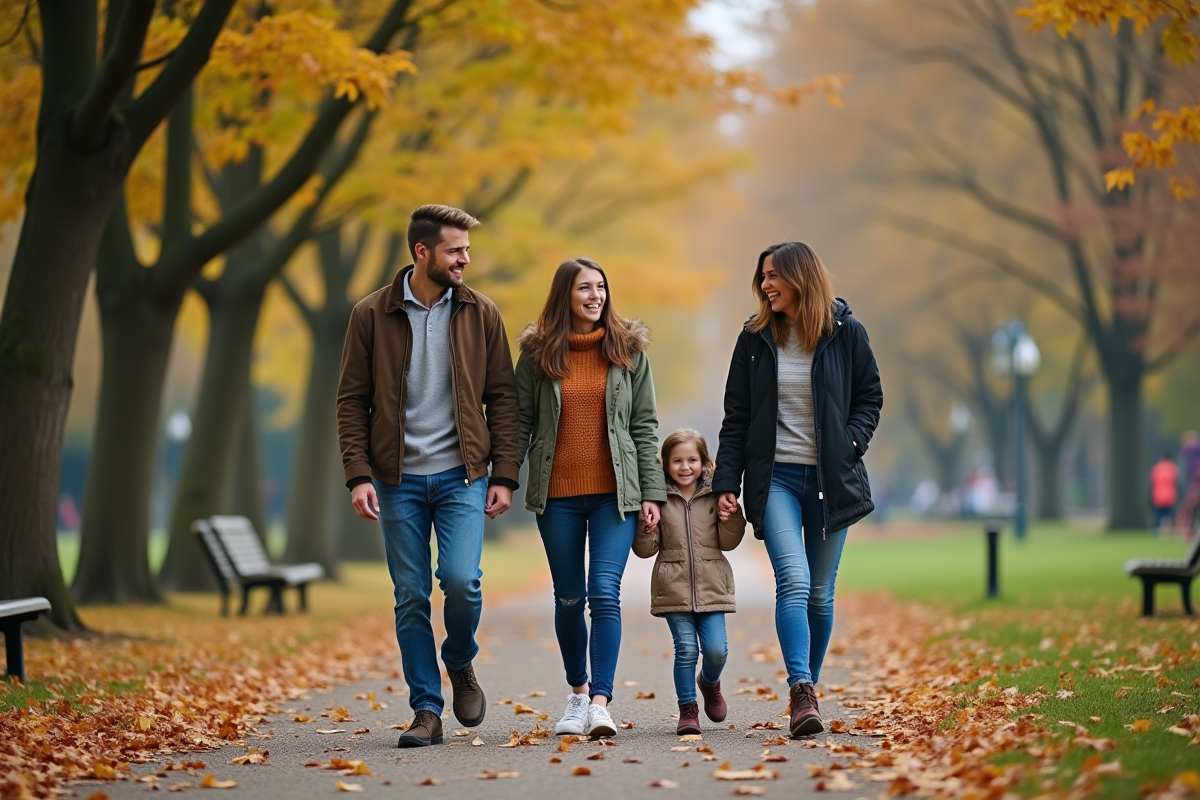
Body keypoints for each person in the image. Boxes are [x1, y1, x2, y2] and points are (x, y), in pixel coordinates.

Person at [336, 204, 520, 748]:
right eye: (455, 250)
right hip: (396, 481)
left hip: (463, 476)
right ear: (422, 252)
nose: (465, 259)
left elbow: (502, 397)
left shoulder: (482, 313)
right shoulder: (370, 314)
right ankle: (426, 710)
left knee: (462, 582)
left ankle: (459, 660)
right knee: (411, 595)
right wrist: (358, 474)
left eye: (467, 250)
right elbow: (351, 400)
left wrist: (505, 473)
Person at [713, 241, 882, 738]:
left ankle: (807, 691)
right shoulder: (754, 339)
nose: (765, 285)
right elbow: (736, 417)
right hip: (777, 480)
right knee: (794, 579)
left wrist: (852, 442)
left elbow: (870, 395)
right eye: (762, 276)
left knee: (821, 594)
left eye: (773, 276)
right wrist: (727, 482)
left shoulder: (846, 332)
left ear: (800, 277)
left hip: (832, 480)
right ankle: (801, 689)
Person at [515, 257, 666, 738]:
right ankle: (577, 694)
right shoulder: (538, 355)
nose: (595, 295)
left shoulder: (628, 352)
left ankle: (601, 702)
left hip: (614, 496)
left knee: (604, 593)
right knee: (568, 599)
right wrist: (501, 479)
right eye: (584, 288)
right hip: (557, 495)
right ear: (565, 295)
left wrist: (652, 492)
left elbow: (644, 426)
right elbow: (519, 422)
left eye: (600, 287)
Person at [632, 429, 746, 735]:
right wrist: (644, 526)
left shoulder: (715, 493)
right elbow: (645, 550)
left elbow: (729, 542)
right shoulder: (657, 498)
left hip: (713, 585)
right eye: (677, 461)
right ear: (666, 464)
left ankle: (708, 682)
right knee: (685, 649)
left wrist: (732, 517)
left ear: (704, 461)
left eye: (692, 460)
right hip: (673, 586)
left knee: (716, 651)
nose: (685, 467)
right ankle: (688, 710)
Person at [1150, 454, 1179, 535]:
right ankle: (1172, 530)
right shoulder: (1173, 468)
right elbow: (1176, 482)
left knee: (1158, 515)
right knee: (1170, 514)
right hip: (1170, 495)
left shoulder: (1156, 468)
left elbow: (1153, 483)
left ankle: (1156, 531)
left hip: (1158, 495)